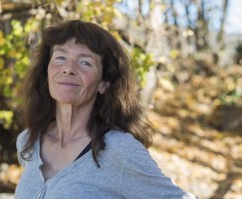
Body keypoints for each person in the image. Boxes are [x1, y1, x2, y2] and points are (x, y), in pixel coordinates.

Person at [15, 20, 197, 199]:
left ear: (103, 83)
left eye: (85, 62)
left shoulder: (119, 150)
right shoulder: (28, 142)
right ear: (47, 75)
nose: (68, 69)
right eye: (60, 58)